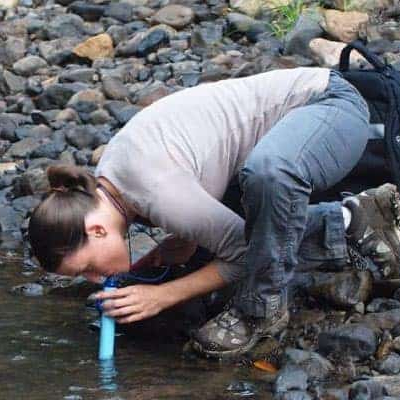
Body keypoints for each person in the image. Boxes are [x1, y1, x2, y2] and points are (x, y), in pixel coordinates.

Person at [28, 67, 400, 358]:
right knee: (215, 252)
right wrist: (184, 239)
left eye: (87, 268)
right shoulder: (110, 181)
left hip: (332, 109)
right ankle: (356, 219)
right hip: (273, 147)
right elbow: (196, 168)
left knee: (267, 181)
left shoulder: (155, 192)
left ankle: (262, 309)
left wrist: (163, 295)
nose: (95, 279)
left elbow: (247, 253)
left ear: (95, 231)